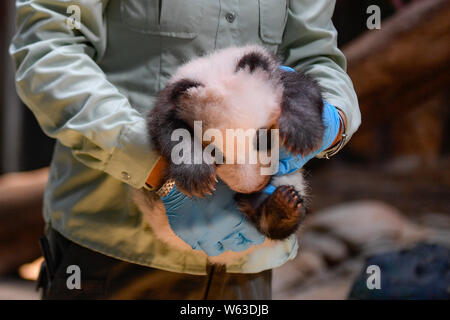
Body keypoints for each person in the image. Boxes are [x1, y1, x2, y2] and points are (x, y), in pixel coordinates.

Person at [10, 0, 360, 299]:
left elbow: (317, 56)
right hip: (114, 252)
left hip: (247, 266)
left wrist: (333, 118)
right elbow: (49, 48)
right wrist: (159, 170)